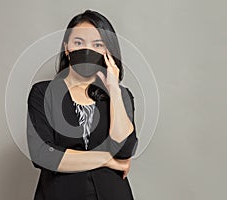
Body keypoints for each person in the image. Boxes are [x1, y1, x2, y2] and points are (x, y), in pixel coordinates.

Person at [27, 10, 139, 200]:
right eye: (78, 42)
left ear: (107, 52)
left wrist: (113, 89)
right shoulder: (43, 93)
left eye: (97, 44)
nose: (87, 50)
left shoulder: (121, 96)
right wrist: (106, 159)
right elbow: (43, 155)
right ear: (67, 48)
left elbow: (123, 149)